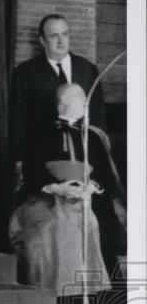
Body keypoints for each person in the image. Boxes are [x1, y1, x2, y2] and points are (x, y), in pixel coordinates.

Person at [8, 83, 126, 295]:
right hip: (46, 198)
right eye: (81, 99)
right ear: (63, 103)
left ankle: (98, 293)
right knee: (53, 225)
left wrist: (91, 186)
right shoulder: (39, 134)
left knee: (101, 224)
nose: (85, 104)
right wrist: (57, 187)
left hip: (89, 198)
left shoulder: (93, 137)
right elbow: (32, 172)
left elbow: (106, 175)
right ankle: (56, 291)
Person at [9, 14, 106, 196]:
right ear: (42, 40)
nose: (61, 41)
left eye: (65, 34)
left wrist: (101, 157)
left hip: (84, 160)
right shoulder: (25, 73)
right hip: (43, 163)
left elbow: (98, 116)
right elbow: (19, 119)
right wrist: (19, 161)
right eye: (54, 36)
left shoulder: (88, 69)